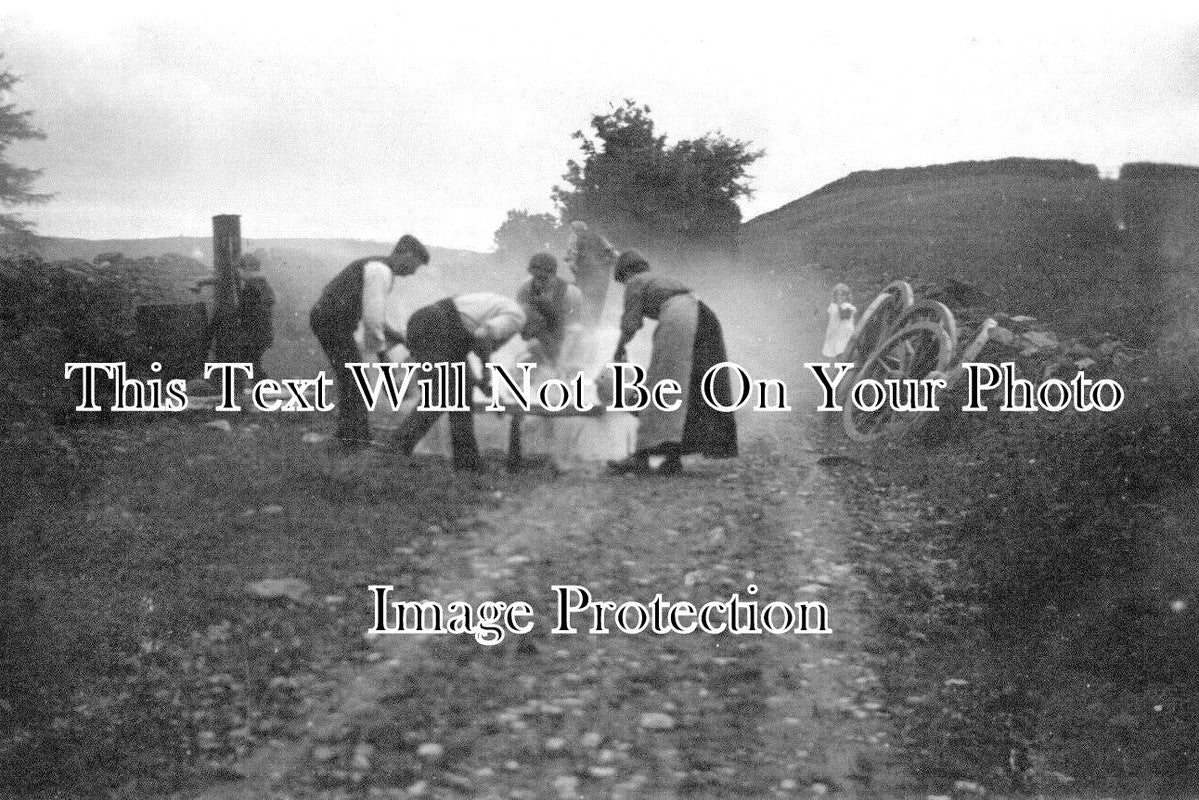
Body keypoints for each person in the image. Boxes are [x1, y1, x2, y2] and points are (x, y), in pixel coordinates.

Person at [606, 250, 738, 475]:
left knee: (662, 384)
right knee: (689, 389)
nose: (624, 284)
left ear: (626, 272)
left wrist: (619, 348)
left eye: (622, 279)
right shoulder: (659, 280)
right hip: (704, 316)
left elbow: (630, 322)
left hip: (681, 318)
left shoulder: (636, 281)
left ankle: (641, 457)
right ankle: (673, 458)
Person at [309, 235, 430, 447]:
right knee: (355, 380)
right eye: (414, 267)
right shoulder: (380, 271)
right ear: (407, 255)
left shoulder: (378, 267)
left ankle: (353, 435)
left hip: (330, 320)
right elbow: (372, 319)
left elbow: (376, 319)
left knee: (352, 379)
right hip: (332, 322)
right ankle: (354, 439)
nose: (412, 273)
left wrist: (398, 338)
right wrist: (383, 356)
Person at [391, 292, 528, 471]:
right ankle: (396, 449)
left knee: (461, 394)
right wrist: (487, 368)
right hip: (437, 326)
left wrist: (479, 382)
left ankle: (467, 464)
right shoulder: (518, 317)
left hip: (433, 325)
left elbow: (462, 349)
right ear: (537, 317)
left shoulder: (499, 308)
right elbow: (481, 335)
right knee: (442, 396)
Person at [515, 252, 583, 365]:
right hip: (536, 335)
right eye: (536, 277)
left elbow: (575, 324)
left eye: (544, 279)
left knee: (577, 331)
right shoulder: (525, 288)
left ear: (553, 276)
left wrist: (562, 358)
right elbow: (518, 320)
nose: (538, 283)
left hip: (562, 334)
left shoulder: (571, 293)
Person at [563, 220, 618, 323]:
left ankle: (582, 329)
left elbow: (571, 258)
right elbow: (615, 254)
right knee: (598, 305)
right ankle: (594, 330)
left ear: (574, 229)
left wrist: (576, 273)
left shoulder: (574, 237)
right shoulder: (599, 238)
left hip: (585, 276)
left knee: (581, 302)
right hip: (602, 278)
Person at [234, 254, 276, 379]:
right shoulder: (257, 283)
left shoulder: (257, 283)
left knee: (250, 361)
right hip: (257, 331)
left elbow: (264, 303)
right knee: (252, 362)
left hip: (257, 331)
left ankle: (260, 385)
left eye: (252, 265)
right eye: (248, 265)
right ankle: (260, 386)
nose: (250, 269)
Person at [821, 283, 856, 359]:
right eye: (838, 295)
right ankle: (840, 362)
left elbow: (844, 316)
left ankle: (845, 362)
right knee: (836, 349)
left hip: (844, 331)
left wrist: (840, 306)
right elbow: (831, 318)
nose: (840, 297)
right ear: (835, 296)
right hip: (835, 331)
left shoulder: (848, 306)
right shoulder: (833, 306)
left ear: (847, 296)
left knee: (843, 348)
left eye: (843, 295)